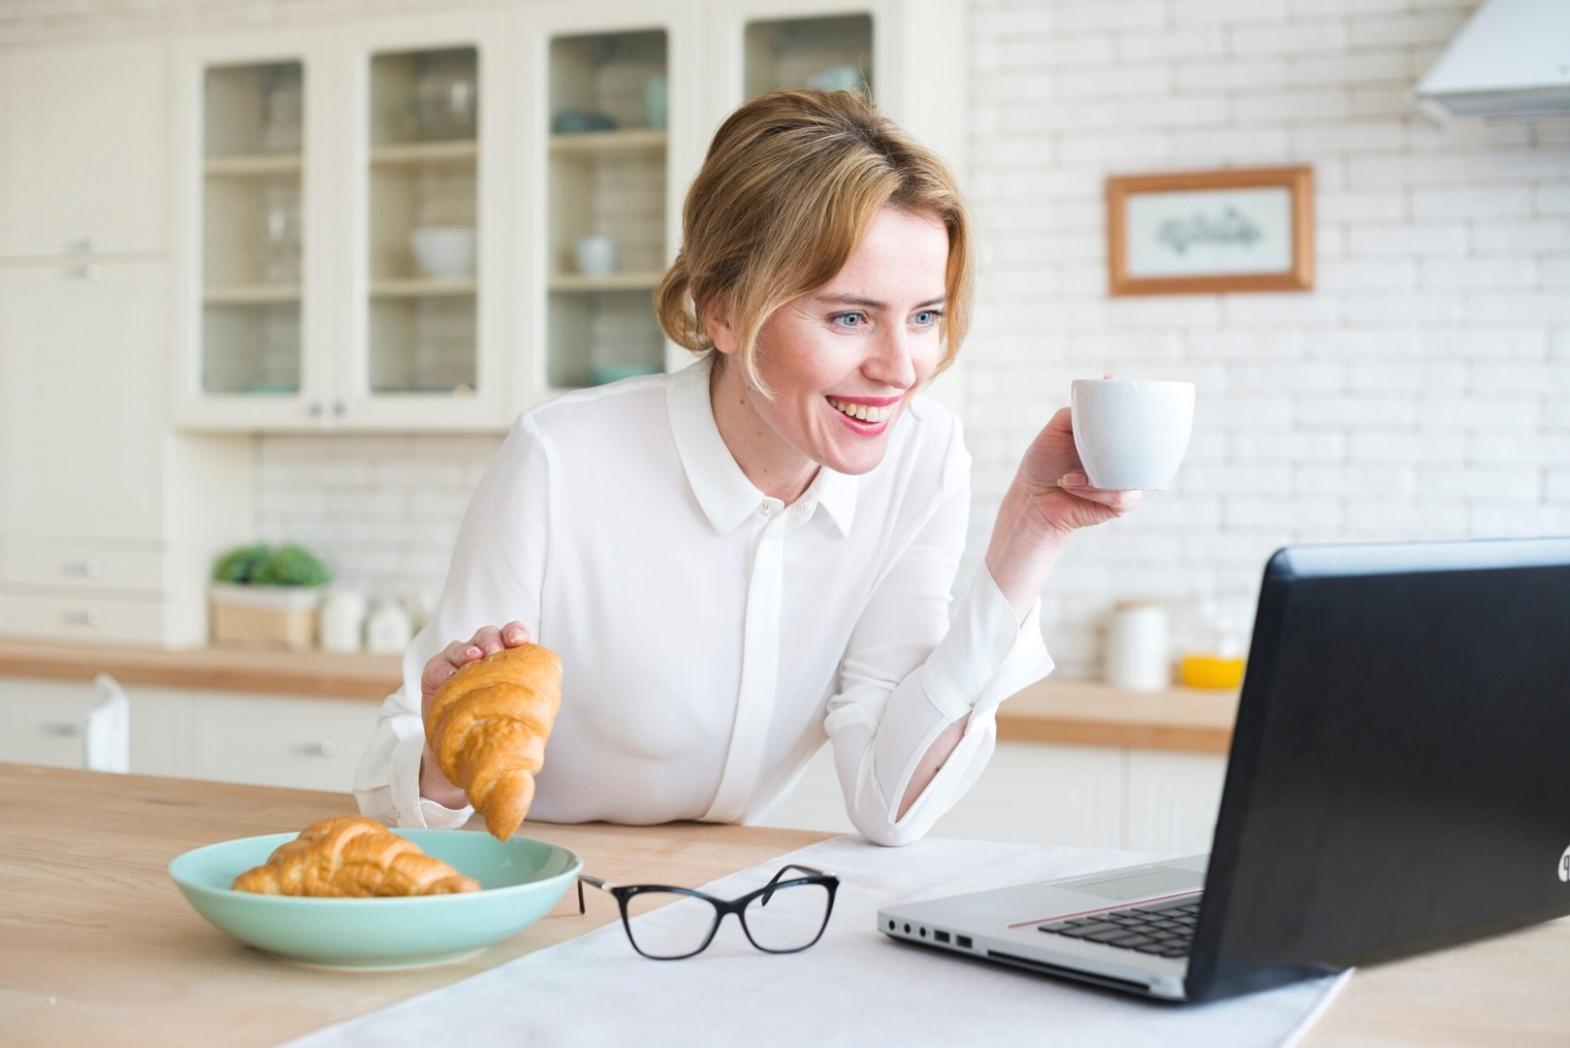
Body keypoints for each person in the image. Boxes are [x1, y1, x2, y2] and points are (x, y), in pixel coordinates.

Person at [354, 89, 1139, 847]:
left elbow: (890, 804)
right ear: (722, 309)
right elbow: (394, 791)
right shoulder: (561, 458)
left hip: (724, 898)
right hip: (535, 881)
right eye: (849, 316)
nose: (901, 367)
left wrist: (1029, 535)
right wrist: (446, 750)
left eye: (925, 317)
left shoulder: (923, 459)